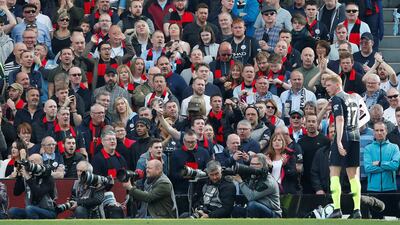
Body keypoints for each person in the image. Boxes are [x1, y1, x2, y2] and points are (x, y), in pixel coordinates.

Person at [325, 74, 362, 219]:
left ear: (336, 84)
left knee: (334, 172)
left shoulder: (337, 98)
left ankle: (337, 209)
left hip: (344, 136)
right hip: (355, 136)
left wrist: (338, 141)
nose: (326, 88)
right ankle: (357, 210)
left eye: (328, 85)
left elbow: (339, 119)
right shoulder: (353, 98)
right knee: (353, 176)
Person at [8, 154, 57, 219]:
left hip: (48, 211)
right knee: (12, 211)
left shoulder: (48, 178)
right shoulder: (28, 176)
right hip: (30, 209)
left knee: (30, 209)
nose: (29, 164)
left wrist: (28, 178)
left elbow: (38, 194)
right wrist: (19, 176)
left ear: (40, 163)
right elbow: (16, 193)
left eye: (32, 161)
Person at [232, 153, 282, 218]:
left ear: (264, 166)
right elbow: (248, 195)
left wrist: (241, 182)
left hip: (273, 213)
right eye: (252, 164)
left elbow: (251, 197)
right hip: (258, 206)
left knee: (252, 205)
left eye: (257, 164)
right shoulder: (255, 176)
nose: (253, 166)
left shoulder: (268, 181)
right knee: (235, 209)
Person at [364, 122, 400, 193]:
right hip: (373, 188)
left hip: (390, 188)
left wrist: (379, 163)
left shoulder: (394, 147)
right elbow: (368, 168)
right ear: (373, 132)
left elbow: (395, 166)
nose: (379, 133)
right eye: (377, 130)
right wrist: (387, 166)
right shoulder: (368, 148)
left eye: (382, 130)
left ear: (386, 131)